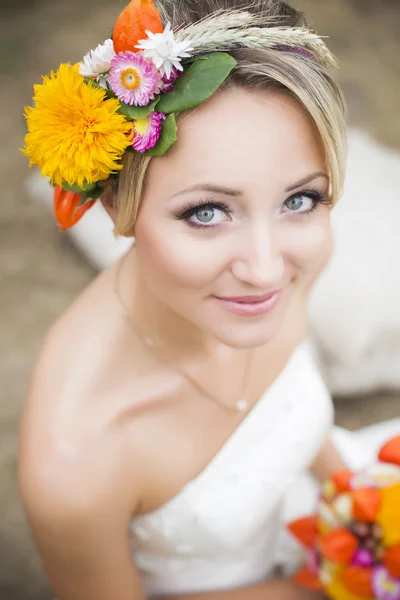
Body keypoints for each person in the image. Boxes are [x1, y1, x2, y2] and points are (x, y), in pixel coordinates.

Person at [19, 1, 400, 599]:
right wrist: (322, 588)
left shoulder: (286, 271)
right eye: (206, 212)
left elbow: (287, 415)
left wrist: (359, 504)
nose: (268, 268)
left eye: (299, 199)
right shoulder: (77, 460)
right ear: (117, 203)